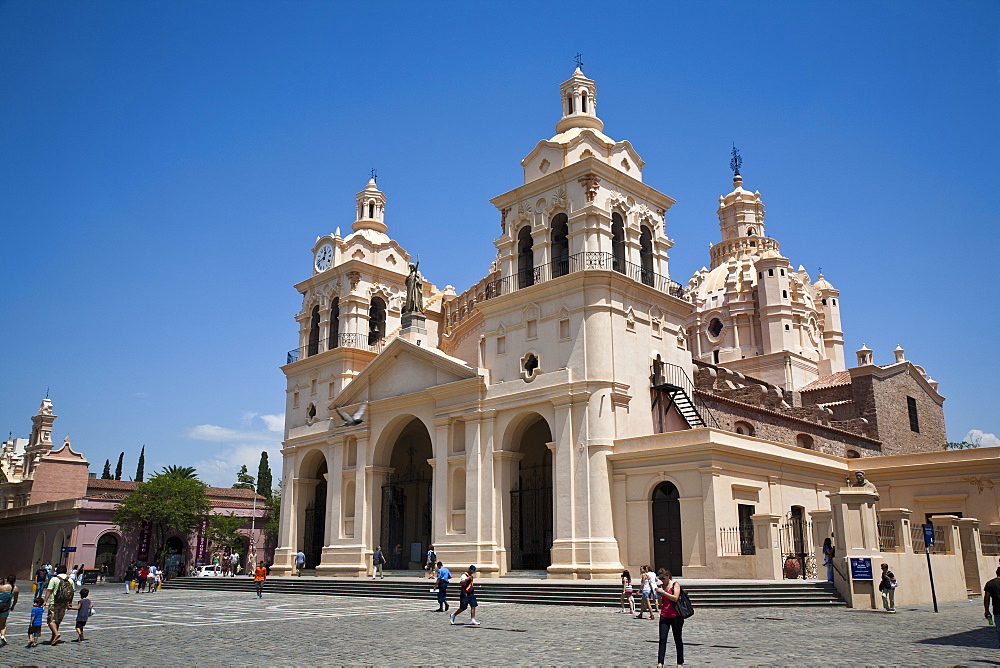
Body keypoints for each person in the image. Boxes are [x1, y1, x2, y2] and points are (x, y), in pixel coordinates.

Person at [655, 570, 685, 668]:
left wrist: (664, 592)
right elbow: (661, 603)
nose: (662, 580)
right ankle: (660, 662)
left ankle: (680, 662)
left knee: (677, 639)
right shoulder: (661, 586)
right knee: (662, 639)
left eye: (663, 578)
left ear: (668, 576)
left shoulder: (675, 585)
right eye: (660, 578)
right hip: (664, 615)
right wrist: (659, 595)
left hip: (676, 615)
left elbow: (675, 598)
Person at [42, 564, 74, 645]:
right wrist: (70, 602)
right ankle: (53, 639)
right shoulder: (70, 580)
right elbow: (72, 592)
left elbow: (49, 590)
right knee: (58, 621)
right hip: (64, 602)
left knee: (51, 620)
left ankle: (56, 634)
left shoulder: (54, 579)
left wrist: (45, 601)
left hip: (54, 602)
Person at [983, 566, 1000, 648]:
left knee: (999, 631)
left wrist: (986, 610)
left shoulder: (990, 584)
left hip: (997, 611)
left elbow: (986, 599)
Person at [0, 575, 13, 646]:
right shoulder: (9, 591)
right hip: (5, 609)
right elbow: (14, 600)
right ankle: (2, 636)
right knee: (3, 624)